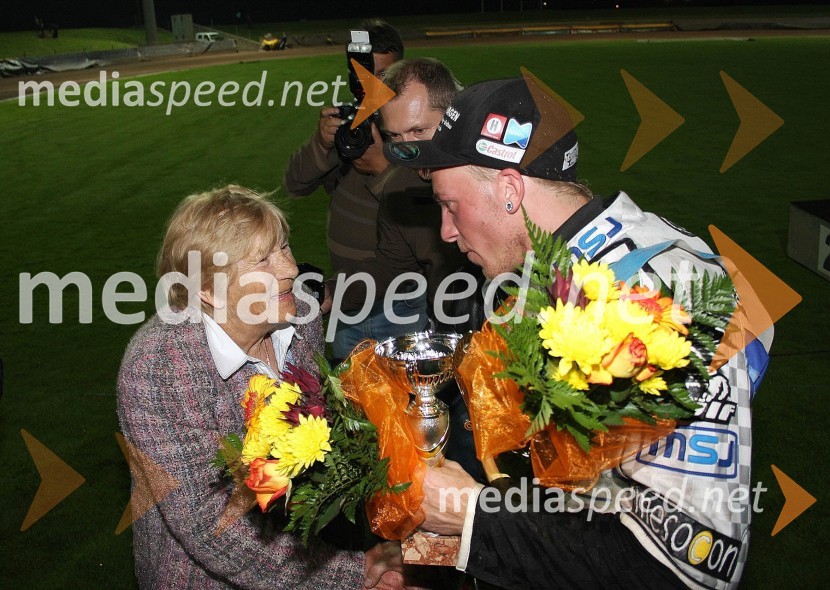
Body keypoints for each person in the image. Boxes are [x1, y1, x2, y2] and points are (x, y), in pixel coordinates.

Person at [385, 78, 770, 589]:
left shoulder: (655, 296)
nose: (446, 232)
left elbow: (684, 571)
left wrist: (473, 515)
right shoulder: (546, 272)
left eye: (450, 205)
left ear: (509, 191)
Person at [117, 185, 405, 589]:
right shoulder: (161, 367)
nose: (289, 269)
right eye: (263, 260)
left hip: (299, 547)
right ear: (206, 288)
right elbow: (211, 525)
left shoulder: (300, 316)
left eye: (284, 248)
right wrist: (348, 574)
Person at [283, 19, 415, 361]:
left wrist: (382, 168)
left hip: (399, 304)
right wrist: (323, 144)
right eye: (364, 75)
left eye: (384, 75)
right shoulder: (351, 123)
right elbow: (295, 184)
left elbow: (426, 215)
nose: (373, 86)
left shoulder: (415, 130)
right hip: (346, 303)